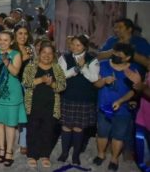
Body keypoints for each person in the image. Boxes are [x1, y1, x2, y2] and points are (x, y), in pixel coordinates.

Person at [93, 43, 138, 171]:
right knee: (102, 132)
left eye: (119, 55)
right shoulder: (103, 65)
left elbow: (133, 91)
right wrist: (104, 81)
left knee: (119, 135)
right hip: (103, 106)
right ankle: (101, 154)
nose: (115, 56)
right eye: (114, 53)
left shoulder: (132, 70)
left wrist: (121, 101)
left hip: (122, 109)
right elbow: (95, 84)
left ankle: (114, 158)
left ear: (128, 58)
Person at [57, 34, 100, 165]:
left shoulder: (92, 59)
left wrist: (84, 67)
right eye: (73, 44)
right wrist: (75, 69)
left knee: (78, 128)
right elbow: (60, 75)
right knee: (66, 127)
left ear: (85, 46)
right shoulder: (64, 57)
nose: (75, 47)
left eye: (78, 45)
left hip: (84, 99)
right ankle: (64, 153)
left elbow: (94, 78)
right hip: (68, 97)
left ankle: (76, 155)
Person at [22, 43, 66, 168]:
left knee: (48, 131)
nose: (46, 56)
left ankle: (44, 155)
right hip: (33, 105)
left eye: (50, 53)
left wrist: (52, 83)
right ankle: (32, 155)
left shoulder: (57, 68)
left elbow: (62, 86)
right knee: (32, 131)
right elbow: (26, 82)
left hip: (51, 106)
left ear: (54, 55)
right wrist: (41, 80)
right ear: (39, 53)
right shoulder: (31, 66)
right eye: (44, 53)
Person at [0, 30, 25, 167]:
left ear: (12, 42)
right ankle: (1, 149)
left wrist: (6, 61)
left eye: (6, 40)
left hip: (11, 94)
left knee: (10, 125)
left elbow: (15, 72)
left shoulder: (16, 54)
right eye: (0, 39)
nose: (2, 42)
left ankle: (9, 151)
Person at [14, 24, 34, 154]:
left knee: (25, 115)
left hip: (27, 86)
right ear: (15, 35)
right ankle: (5, 138)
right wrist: (23, 58)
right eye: (20, 33)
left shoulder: (30, 49)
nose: (23, 36)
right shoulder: (11, 49)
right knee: (12, 115)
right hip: (14, 85)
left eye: (25, 33)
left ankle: (23, 142)